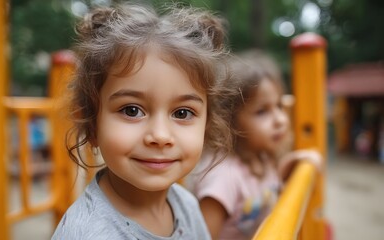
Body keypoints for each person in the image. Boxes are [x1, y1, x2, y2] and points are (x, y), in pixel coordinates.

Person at [52, 3, 232, 239]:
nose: (159, 136)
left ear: (206, 126)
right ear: (92, 124)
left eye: (182, 113)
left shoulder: (186, 205)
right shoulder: (87, 233)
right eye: (132, 110)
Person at [190, 50, 322, 240]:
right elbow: (203, 236)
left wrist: (295, 161)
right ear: (229, 121)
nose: (280, 120)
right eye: (262, 111)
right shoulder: (222, 177)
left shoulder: (262, 156)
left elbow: (272, 187)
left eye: (279, 106)